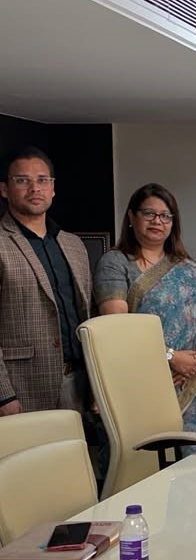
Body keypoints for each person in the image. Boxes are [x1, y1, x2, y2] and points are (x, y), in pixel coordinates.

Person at [94, 183, 196, 434]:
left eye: (165, 216)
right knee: (149, 452)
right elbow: (118, 327)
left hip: (193, 381)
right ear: (131, 217)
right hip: (143, 379)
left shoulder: (186, 266)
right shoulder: (115, 263)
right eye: (149, 213)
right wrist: (170, 357)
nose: (157, 221)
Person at [0, 147, 92, 415]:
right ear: (4, 189)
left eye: (42, 180)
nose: (34, 188)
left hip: (80, 382)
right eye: (22, 180)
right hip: (22, 387)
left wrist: (99, 382)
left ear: (52, 189)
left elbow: (88, 315)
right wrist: (3, 396)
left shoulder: (73, 245)